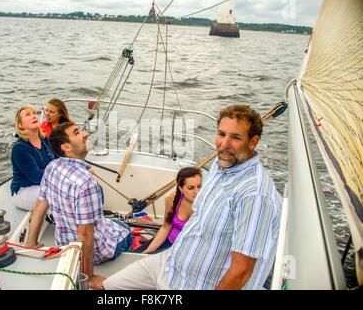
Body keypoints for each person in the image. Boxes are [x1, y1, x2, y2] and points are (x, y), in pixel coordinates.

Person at [101, 104, 282, 290]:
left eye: (235, 137)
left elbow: (242, 271)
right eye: (221, 134)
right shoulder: (220, 168)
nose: (224, 144)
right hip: (169, 263)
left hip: (193, 285)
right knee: (107, 286)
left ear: (253, 142)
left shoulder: (254, 195)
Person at [26, 121, 132, 289]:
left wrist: (31, 243)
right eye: (77, 133)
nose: (84, 134)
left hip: (64, 245)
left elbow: (40, 206)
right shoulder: (86, 182)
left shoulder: (52, 166)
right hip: (93, 252)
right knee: (124, 228)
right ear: (66, 147)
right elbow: (84, 233)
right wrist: (88, 278)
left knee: (108, 223)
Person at [132, 167, 202, 254]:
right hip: (168, 241)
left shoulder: (207, 204)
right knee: (137, 256)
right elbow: (166, 227)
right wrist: (148, 251)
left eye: (199, 186)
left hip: (188, 251)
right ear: (180, 188)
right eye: (191, 188)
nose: (197, 192)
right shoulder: (172, 199)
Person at [11, 105, 55, 211]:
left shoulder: (45, 140)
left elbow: (59, 160)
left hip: (44, 185)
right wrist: (61, 175)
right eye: (28, 114)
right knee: (63, 191)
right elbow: (36, 176)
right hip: (25, 190)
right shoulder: (19, 148)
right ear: (20, 125)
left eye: (34, 113)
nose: (34, 116)